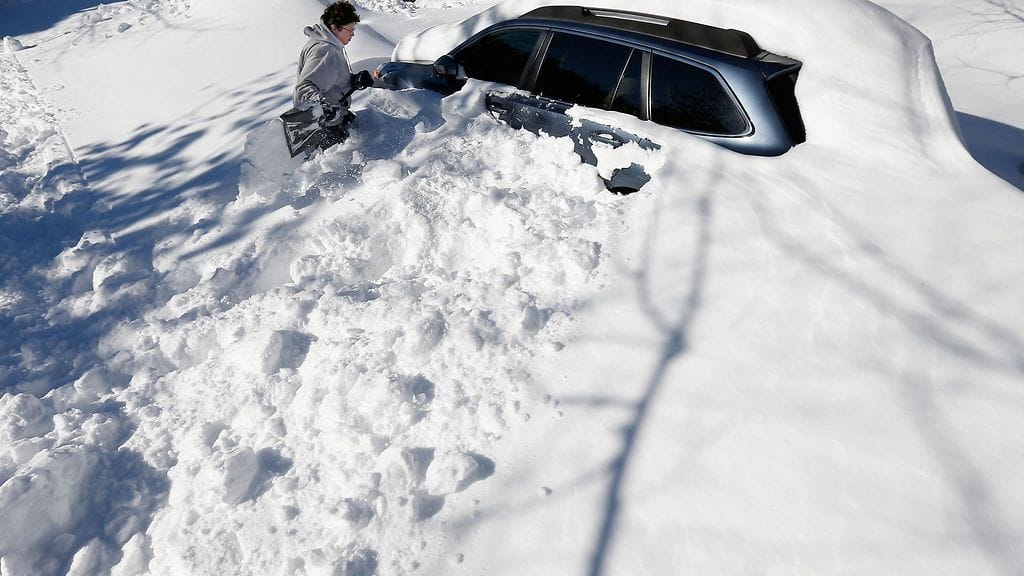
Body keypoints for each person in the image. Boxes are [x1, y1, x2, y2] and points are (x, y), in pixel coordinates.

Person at [293, 1, 372, 149]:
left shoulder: (328, 45)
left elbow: (328, 78)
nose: (353, 34)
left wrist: (353, 81)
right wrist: (324, 107)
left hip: (332, 120)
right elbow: (304, 88)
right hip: (325, 127)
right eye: (350, 30)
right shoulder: (325, 50)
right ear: (335, 28)